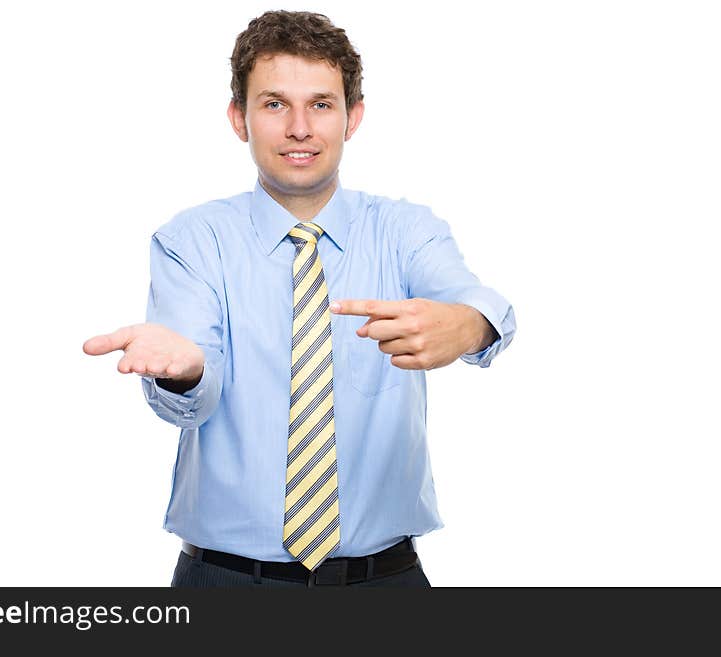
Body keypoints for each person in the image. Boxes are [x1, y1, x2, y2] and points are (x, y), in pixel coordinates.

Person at [83, 10, 516, 587]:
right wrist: (184, 374)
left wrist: (467, 328)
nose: (299, 128)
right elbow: (189, 399)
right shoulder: (192, 241)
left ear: (352, 117)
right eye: (274, 104)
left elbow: (477, 303)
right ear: (239, 118)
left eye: (320, 104)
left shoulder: (407, 231)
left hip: (384, 581)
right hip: (227, 583)